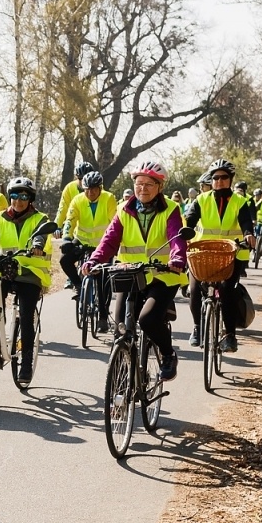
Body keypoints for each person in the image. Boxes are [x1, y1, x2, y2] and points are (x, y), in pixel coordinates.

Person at [85, 160, 188, 381]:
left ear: (160, 187)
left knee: (148, 319)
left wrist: (177, 257)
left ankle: (169, 355)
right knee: (120, 331)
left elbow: (176, 237)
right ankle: (121, 385)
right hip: (129, 275)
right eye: (139, 183)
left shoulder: (171, 209)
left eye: (149, 184)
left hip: (163, 276)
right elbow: (109, 240)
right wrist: (94, 260)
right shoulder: (124, 210)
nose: (143, 188)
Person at [0, 176, 56, 387]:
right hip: (6, 270)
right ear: (9, 197)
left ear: (30, 199)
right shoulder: (1, 217)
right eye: (14, 196)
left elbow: (41, 236)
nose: (18, 201)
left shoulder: (40, 218)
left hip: (29, 274)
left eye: (23, 197)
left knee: (26, 315)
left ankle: (26, 363)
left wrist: (37, 245)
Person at [183, 158, 255, 354]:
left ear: (231, 179)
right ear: (211, 180)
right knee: (195, 287)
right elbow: (189, 221)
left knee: (227, 291)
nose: (219, 181)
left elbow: (246, 222)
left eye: (224, 177)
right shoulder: (201, 200)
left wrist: (248, 234)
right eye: (215, 178)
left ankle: (230, 335)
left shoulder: (240, 202)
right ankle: (198, 328)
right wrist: (184, 233)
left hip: (232, 255)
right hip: (204, 255)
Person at [58, 169, 116, 331]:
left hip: (103, 245)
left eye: (94, 189)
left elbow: (114, 223)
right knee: (64, 260)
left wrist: (114, 244)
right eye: (87, 189)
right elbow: (70, 221)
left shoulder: (109, 198)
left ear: (100, 188)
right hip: (82, 241)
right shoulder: (77, 200)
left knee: (102, 281)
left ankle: (103, 318)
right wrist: (66, 239)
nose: (90, 193)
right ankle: (77, 284)